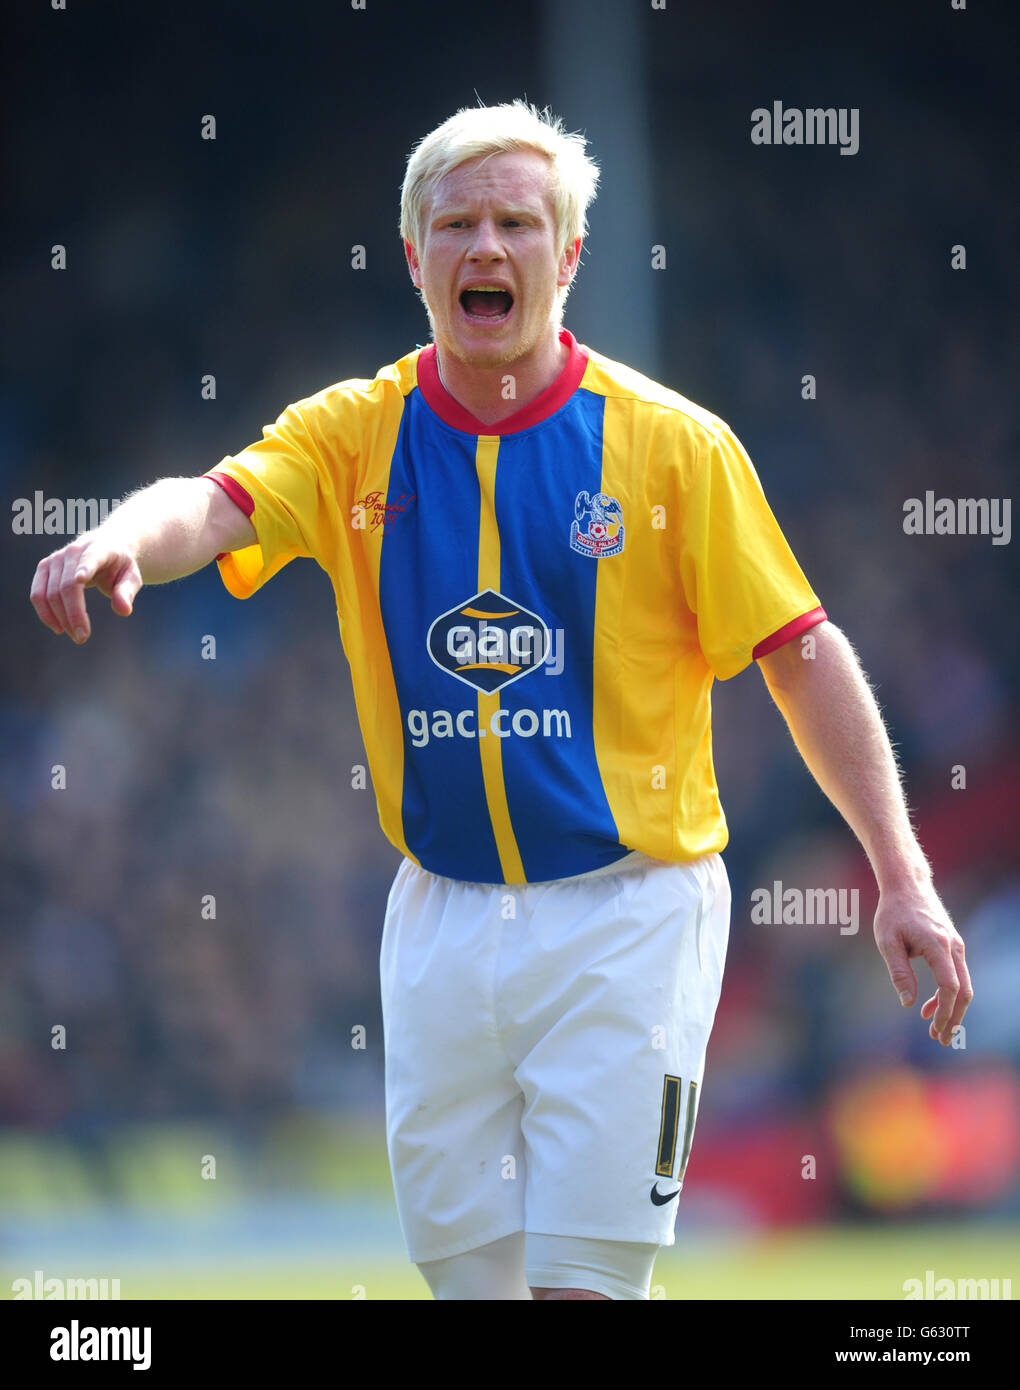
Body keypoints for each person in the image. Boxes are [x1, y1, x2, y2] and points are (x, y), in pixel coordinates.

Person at [30, 100, 972, 1301]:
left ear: (568, 256)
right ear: (412, 252)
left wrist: (901, 871)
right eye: (457, 223)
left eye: (518, 224)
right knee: (473, 1289)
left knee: (582, 1286)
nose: (487, 248)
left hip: (628, 913)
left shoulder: (675, 449)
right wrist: (116, 535)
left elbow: (801, 650)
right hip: (440, 917)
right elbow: (213, 505)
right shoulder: (353, 435)